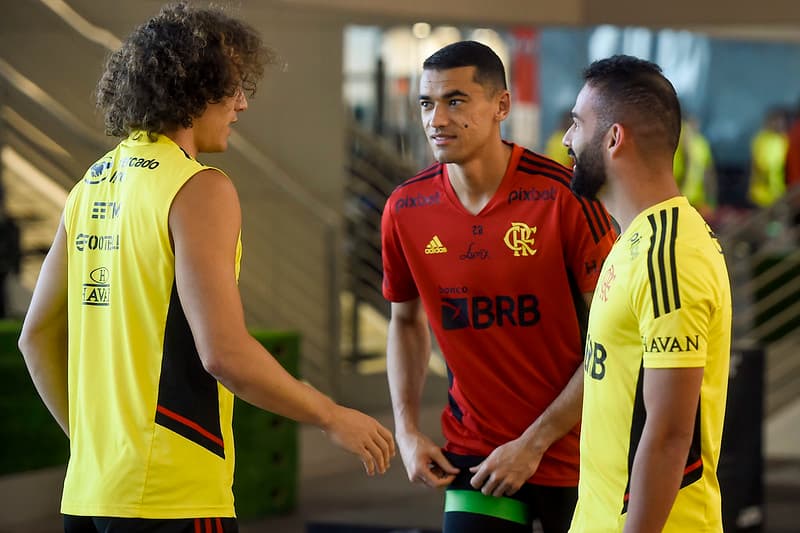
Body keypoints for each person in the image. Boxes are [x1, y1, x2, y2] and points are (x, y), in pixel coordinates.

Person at [17, 3, 394, 532]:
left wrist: (91, 447)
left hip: (91, 494)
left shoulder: (90, 184)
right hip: (173, 495)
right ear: (193, 90)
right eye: (232, 86)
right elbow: (224, 354)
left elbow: (35, 336)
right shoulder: (199, 188)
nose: (241, 103)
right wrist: (332, 416)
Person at [381, 40, 616, 533]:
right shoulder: (405, 210)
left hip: (577, 453)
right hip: (477, 454)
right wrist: (405, 430)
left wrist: (533, 445)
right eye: (427, 103)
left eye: (456, 101)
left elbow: (614, 343)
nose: (437, 119)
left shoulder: (566, 200)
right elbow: (405, 322)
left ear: (501, 106)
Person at [562, 55, 732, 532]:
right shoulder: (634, 239)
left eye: (577, 124)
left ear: (614, 138)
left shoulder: (669, 256)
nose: (566, 140)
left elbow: (671, 433)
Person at [673, 114, 717, 220]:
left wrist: (711, 201)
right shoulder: (675, 144)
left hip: (697, 201)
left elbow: (709, 174)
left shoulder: (701, 144)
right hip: (677, 199)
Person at [748, 108, 789, 208]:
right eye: (776, 121)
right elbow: (761, 166)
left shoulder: (784, 139)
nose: (779, 125)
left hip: (779, 192)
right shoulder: (762, 140)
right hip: (762, 194)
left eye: (781, 122)